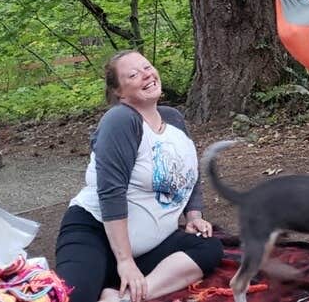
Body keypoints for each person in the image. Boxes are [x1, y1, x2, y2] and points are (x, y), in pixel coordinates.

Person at [56, 51, 223, 302]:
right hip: (96, 236)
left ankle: (125, 297)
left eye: (147, 67)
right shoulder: (121, 120)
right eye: (133, 74)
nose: (146, 75)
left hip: (149, 249)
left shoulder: (173, 119)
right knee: (74, 297)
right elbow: (111, 192)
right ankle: (115, 281)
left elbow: (189, 173)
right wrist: (125, 261)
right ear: (119, 93)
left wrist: (194, 216)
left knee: (207, 246)